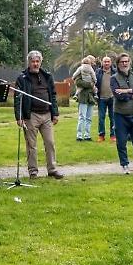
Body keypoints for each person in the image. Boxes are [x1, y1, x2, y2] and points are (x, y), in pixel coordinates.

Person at [13, 50, 64, 179]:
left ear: (41, 62)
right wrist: (19, 117)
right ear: (29, 62)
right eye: (33, 61)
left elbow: (53, 95)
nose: (35, 64)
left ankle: (52, 169)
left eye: (37, 61)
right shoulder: (22, 78)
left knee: (50, 142)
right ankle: (33, 172)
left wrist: (55, 113)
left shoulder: (47, 76)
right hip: (31, 116)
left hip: (46, 115)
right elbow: (17, 98)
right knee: (31, 145)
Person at [72, 55, 97, 141]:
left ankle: (87, 135)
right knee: (82, 116)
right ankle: (79, 135)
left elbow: (94, 81)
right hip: (83, 96)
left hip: (91, 96)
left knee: (89, 117)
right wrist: (90, 85)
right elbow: (78, 82)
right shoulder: (81, 71)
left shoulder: (92, 71)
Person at [95, 55, 117, 141]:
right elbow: (95, 83)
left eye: (108, 61)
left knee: (113, 118)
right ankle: (101, 135)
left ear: (111, 63)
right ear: (102, 63)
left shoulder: (115, 72)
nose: (106, 63)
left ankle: (113, 135)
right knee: (101, 118)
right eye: (105, 61)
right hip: (101, 99)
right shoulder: (98, 72)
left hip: (113, 98)